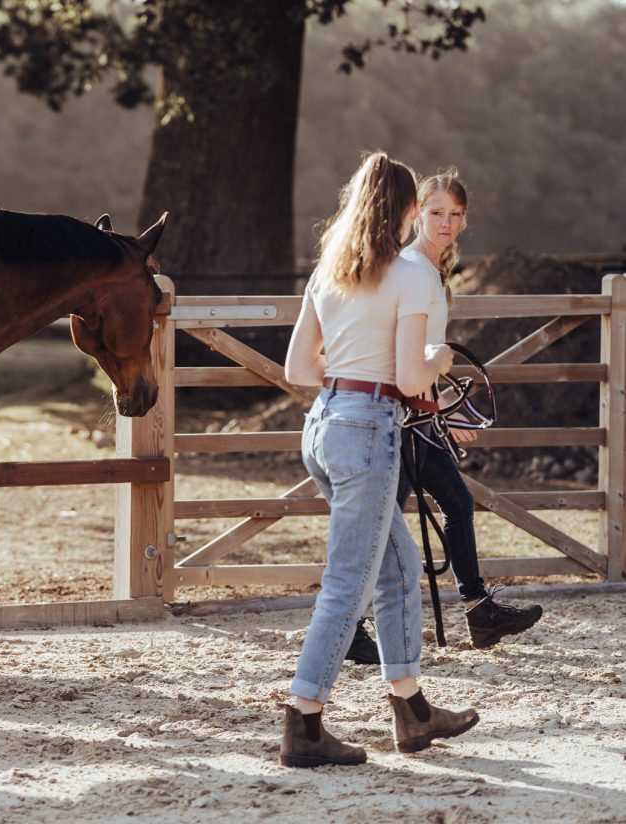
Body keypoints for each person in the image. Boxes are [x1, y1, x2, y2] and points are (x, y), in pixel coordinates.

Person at [281, 151, 479, 768]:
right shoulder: (411, 274)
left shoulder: (329, 271)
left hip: (323, 426)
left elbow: (296, 370)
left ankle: (411, 710)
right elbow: (411, 375)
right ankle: (304, 722)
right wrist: (442, 357)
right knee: (348, 582)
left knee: (397, 567)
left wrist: (350, 382)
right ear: (412, 210)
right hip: (367, 433)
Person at [345, 171, 543, 666]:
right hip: (402, 416)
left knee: (451, 501)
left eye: (455, 214)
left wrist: (438, 410)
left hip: (416, 415)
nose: (446, 222)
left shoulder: (429, 270)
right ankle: (350, 626)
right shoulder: (412, 268)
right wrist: (432, 408)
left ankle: (478, 610)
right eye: (436, 212)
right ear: (417, 214)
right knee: (383, 523)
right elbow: (406, 350)